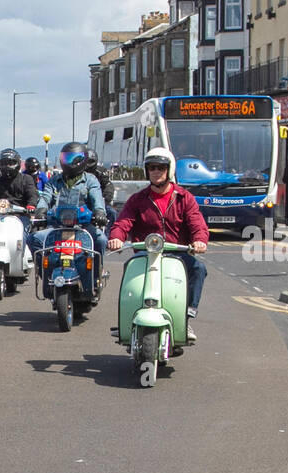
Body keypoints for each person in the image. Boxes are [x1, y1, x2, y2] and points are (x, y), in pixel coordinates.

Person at [107, 146, 209, 341]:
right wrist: (117, 237)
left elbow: (197, 223)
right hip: (145, 253)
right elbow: (123, 221)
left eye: (160, 167)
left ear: (169, 170)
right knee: (130, 269)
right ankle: (126, 320)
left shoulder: (184, 198)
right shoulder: (138, 199)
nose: (156, 172)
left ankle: (186, 317)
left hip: (176, 252)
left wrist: (199, 241)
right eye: (152, 167)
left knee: (197, 268)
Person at [31, 142, 106, 262]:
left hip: (84, 227)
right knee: (33, 239)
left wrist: (99, 212)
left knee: (101, 240)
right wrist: (41, 211)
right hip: (57, 226)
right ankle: (44, 273)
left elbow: (96, 197)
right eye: (66, 158)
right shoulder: (54, 180)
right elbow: (45, 197)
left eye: (73, 159)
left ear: (83, 160)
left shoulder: (90, 180)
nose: (69, 162)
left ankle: (96, 275)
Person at [83, 148, 116, 227]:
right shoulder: (77, 172)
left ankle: (108, 236)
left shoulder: (100, 172)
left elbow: (108, 185)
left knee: (111, 213)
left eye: (90, 161)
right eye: (85, 161)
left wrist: (105, 199)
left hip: (99, 203)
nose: (87, 164)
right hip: (81, 204)